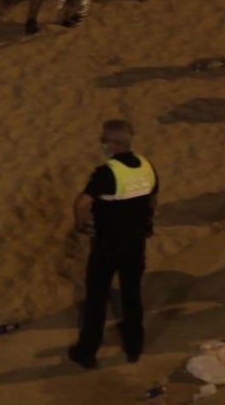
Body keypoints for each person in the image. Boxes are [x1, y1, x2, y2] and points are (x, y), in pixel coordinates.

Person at [68, 120, 158, 369]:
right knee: (132, 294)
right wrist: (147, 221)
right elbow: (153, 197)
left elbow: (81, 204)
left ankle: (87, 351)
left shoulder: (107, 172)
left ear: (116, 143)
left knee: (96, 298)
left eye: (104, 139)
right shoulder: (146, 166)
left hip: (107, 245)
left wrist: (80, 224)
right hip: (135, 242)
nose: (102, 143)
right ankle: (134, 346)